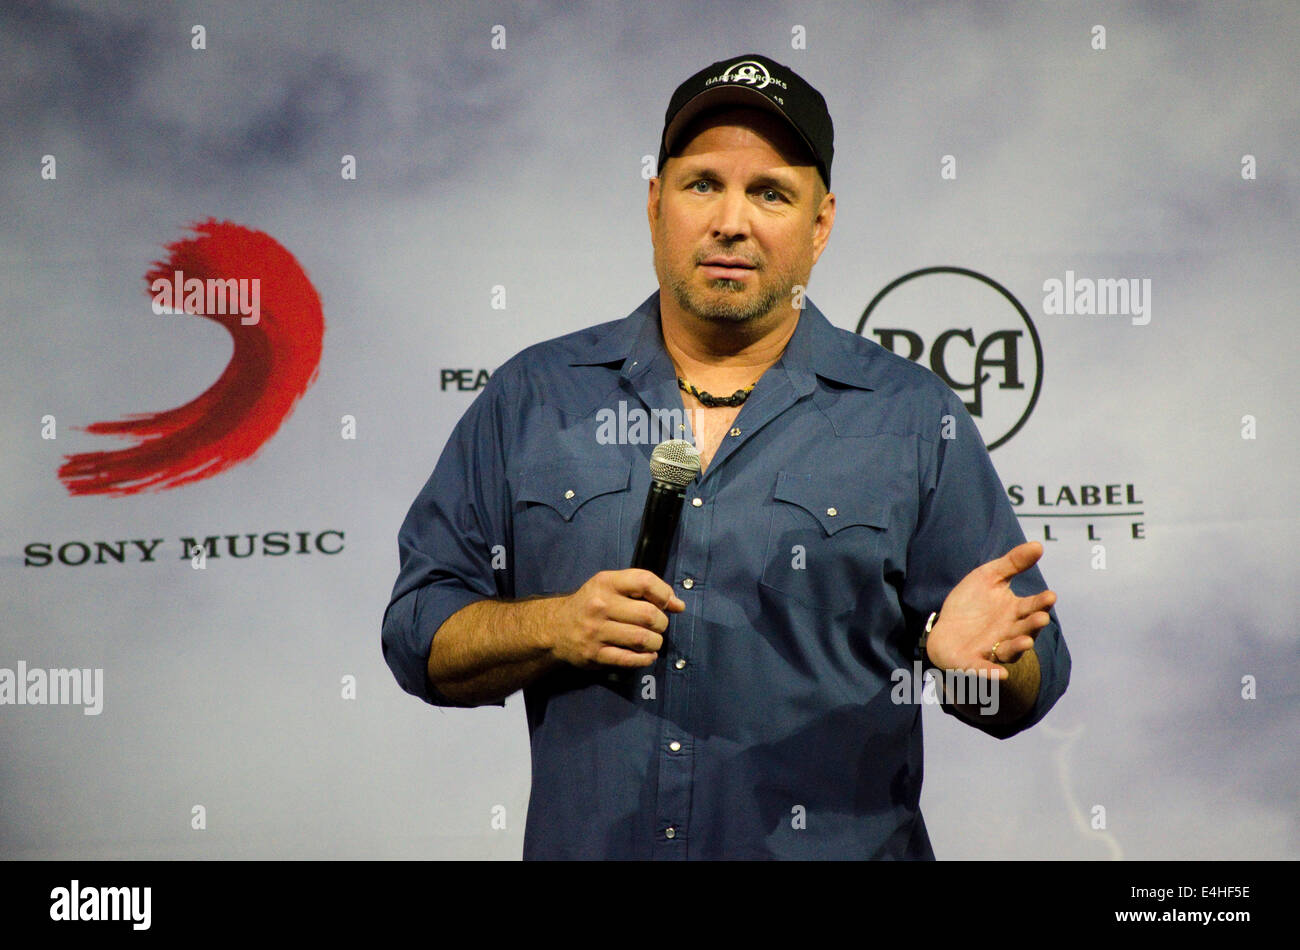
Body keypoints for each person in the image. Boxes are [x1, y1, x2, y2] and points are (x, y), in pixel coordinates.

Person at [382, 53, 1070, 859]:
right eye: (703, 183)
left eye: (770, 193)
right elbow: (418, 634)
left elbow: (1027, 685)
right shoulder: (534, 398)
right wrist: (553, 624)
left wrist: (982, 666)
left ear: (820, 226)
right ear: (654, 204)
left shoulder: (910, 417)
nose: (731, 221)